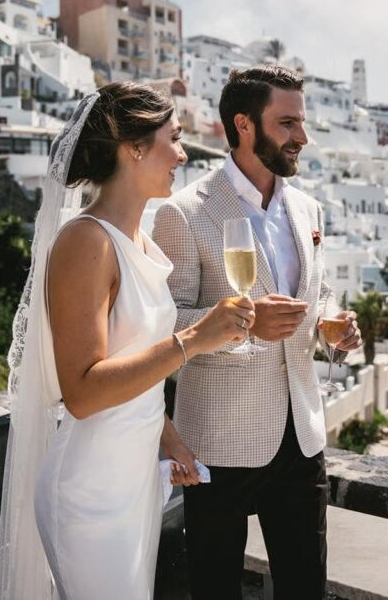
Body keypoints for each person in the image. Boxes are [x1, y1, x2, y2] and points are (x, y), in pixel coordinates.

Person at [0, 82, 256, 600]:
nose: (182, 154)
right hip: (90, 493)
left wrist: (168, 438)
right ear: (133, 147)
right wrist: (194, 339)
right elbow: (82, 391)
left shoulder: (141, 240)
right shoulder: (86, 241)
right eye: (173, 138)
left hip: (134, 483)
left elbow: (131, 364)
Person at [152, 66, 362, 599]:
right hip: (219, 438)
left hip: (303, 437)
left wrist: (333, 326)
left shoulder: (309, 208)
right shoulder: (184, 213)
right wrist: (246, 324)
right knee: (216, 589)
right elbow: (166, 325)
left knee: (306, 588)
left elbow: (319, 296)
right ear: (244, 125)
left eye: (302, 122)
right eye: (287, 123)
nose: (302, 137)